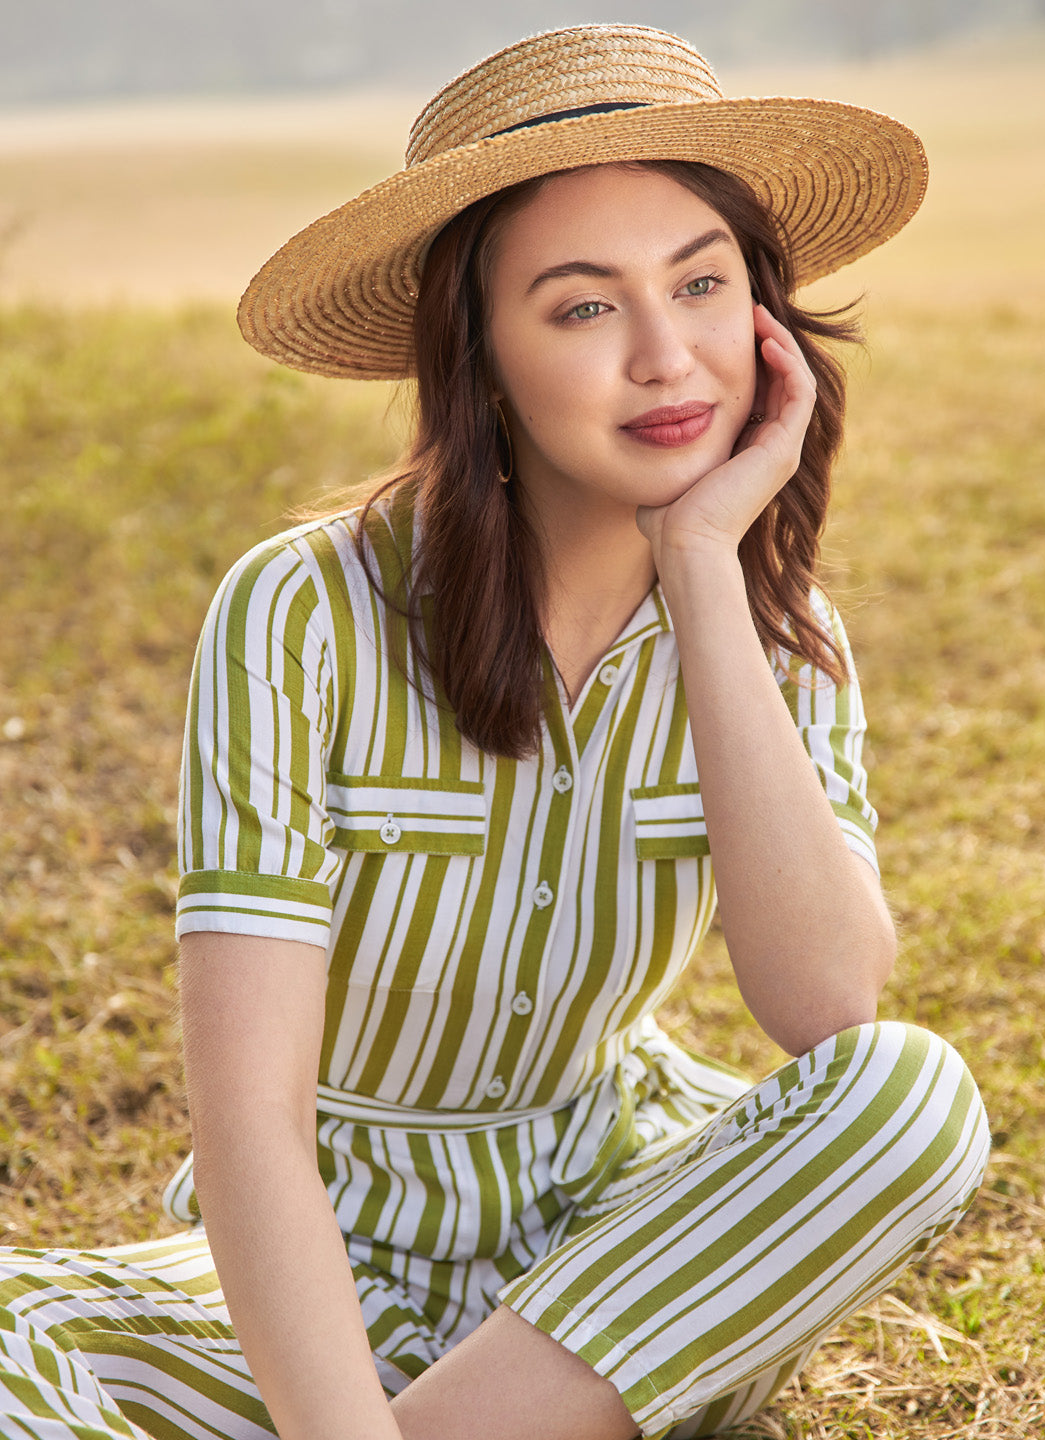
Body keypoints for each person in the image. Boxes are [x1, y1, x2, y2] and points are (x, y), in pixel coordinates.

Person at [0, 23, 989, 1440]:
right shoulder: (300, 614)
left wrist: (706, 568)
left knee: (913, 1099)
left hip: (619, 1252)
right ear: (479, 354)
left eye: (702, 284)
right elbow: (249, 1135)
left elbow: (828, 1007)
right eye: (583, 308)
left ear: (764, 317)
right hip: (321, 1267)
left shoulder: (787, 637)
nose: (666, 356)